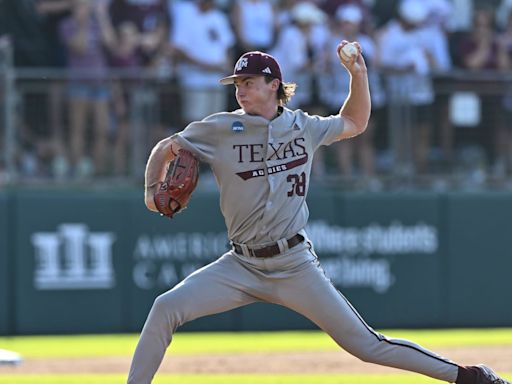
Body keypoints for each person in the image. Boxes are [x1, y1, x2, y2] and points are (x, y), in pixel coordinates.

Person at [127, 45, 510, 384]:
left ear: (274, 84)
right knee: (165, 307)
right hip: (240, 265)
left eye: (248, 81)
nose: (240, 89)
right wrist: (150, 191)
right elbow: (168, 145)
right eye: (237, 83)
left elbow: (355, 122)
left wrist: (357, 75)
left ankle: (470, 377)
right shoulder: (221, 128)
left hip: (294, 263)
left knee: (367, 345)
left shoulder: (304, 127)